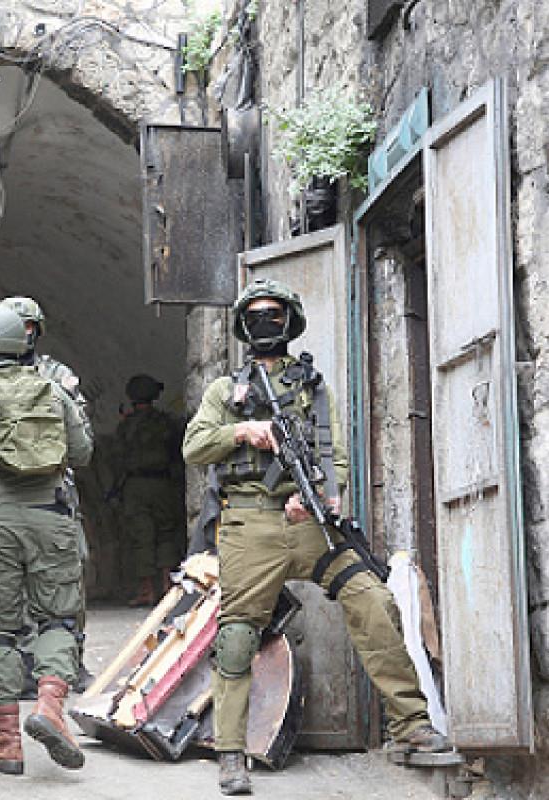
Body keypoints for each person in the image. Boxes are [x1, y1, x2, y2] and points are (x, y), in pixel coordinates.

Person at [182, 278, 448, 796]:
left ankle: (411, 725)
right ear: (243, 326)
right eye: (255, 315)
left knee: (372, 599)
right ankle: (231, 752)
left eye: (274, 314)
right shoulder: (225, 392)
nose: (265, 323)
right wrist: (244, 431)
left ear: (289, 321)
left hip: (308, 525)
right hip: (249, 526)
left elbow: (336, 458)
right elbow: (194, 447)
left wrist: (322, 497)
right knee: (237, 635)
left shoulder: (312, 388)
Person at [0, 303, 93, 775]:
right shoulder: (52, 388)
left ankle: (8, 741)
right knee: (58, 619)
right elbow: (82, 451)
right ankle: (50, 706)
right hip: (51, 517)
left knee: (0, 628)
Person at [0, 295, 96, 693]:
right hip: (6, 491)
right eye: (14, 327)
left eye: (28, 328)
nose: (22, 335)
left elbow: (81, 437)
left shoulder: (56, 375)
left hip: (55, 488)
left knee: (70, 575)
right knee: (12, 583)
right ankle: (25, 662)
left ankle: (70, 657)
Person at [115, 373, 185, 606]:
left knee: (141, 536)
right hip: (163, 484)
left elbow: (119, 457)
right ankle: (167, 586)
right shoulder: (166, 423)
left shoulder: (126, 426)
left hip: (135, 485)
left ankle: (146, 590)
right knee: (166, 532)